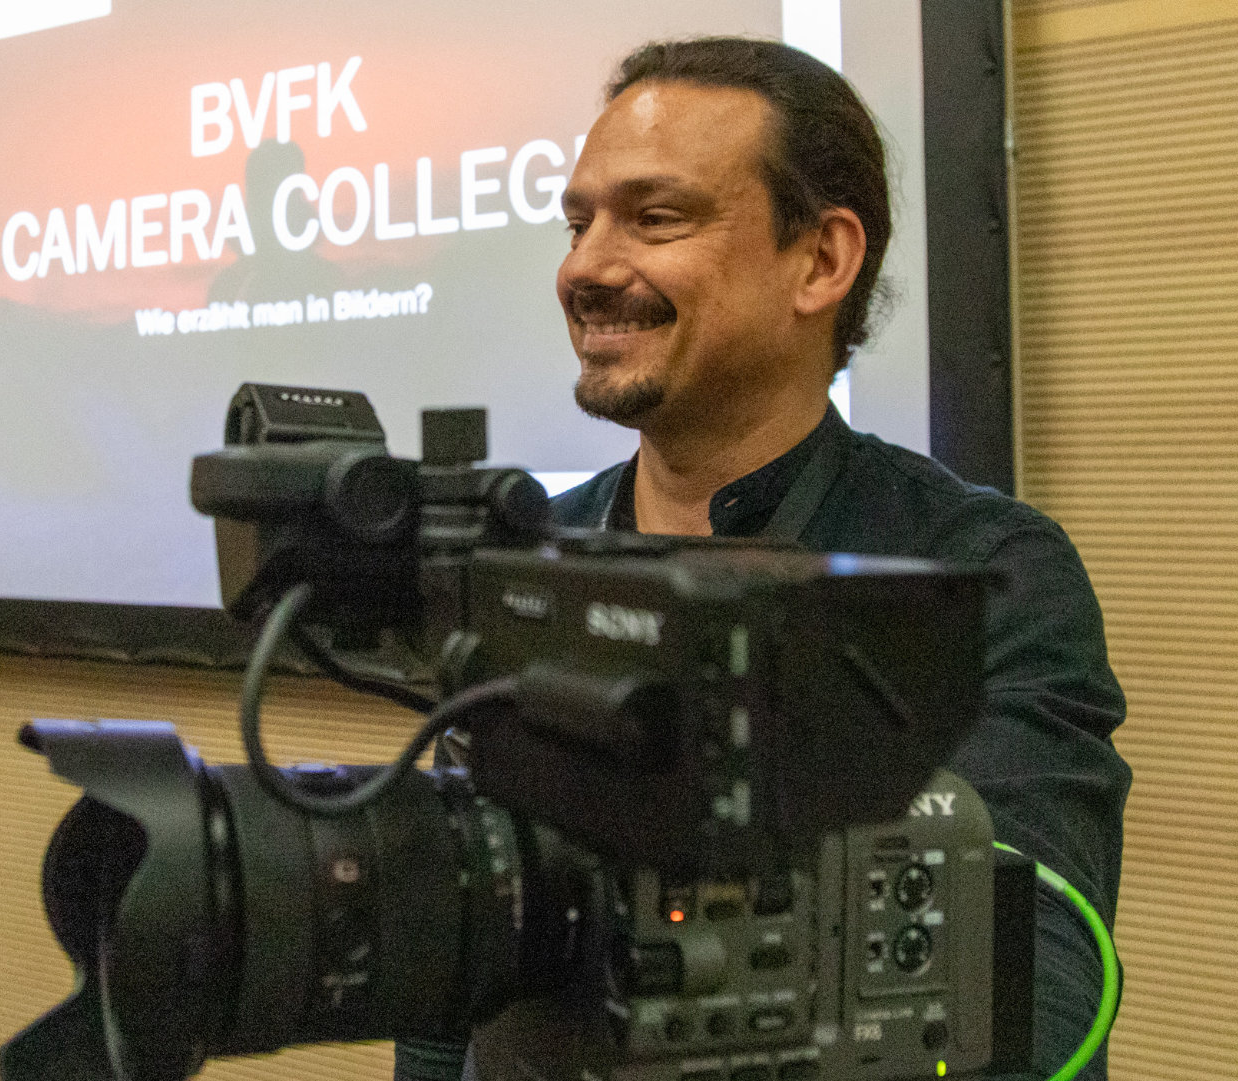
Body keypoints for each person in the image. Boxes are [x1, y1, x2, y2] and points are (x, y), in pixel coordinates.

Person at [400, 37, 1130, 1081]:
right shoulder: (526, 566)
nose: (586, 267)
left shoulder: (980, 575)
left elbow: (1026, 1002)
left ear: (823, 260)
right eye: (579, 221)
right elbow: (452, 983)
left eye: (655, 217)